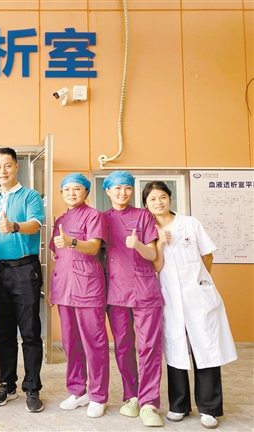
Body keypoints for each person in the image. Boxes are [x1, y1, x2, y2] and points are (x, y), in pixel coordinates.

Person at [143, 181, 237, 430]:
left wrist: (200, 284)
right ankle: (179, 405)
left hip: (197, 296)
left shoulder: (190, 223)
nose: (158, 202)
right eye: (152, 199)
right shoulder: (150, 230)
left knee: (205, 348)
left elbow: (208, 255)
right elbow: (156, 266)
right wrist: (160, 243)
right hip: (170, 298)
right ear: (146, 205)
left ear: (169, 198)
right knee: (176, 348)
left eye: (162, 197)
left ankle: (209, 408)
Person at [0, 147, 45, 413]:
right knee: (4, 333)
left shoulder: (30, 196)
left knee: (30, 332)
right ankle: (7, 384)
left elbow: (36, 224)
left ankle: (32, 388)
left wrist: (15, 226)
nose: (3, 171)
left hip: (24, 269)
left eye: (7, 165)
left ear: (16, 167)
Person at [103, 170, 164, 427]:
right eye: (117, 188)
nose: (123, 192)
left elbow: (152, 254)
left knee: (149, 346)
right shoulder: (101, 219)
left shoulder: (143, 215)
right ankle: (132, 396)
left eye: (127, 187)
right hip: (115, 292)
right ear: (108, 191)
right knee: (123, 346)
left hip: (145, 290)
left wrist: (137, 244)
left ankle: (149, 402)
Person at [48, 173, 109, 418]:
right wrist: (53, 289)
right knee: (70, 343)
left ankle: (98, 395)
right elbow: (57, 256)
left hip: (88, 288)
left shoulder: (94, 216)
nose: (71, 193)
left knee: (94, 343)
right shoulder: (61, 219)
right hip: (64, 288)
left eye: (77, 189)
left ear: (86, 192)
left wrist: (72, 241)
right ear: (61, 193)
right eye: (67, 190)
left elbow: (93, 246)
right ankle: (77, 391)